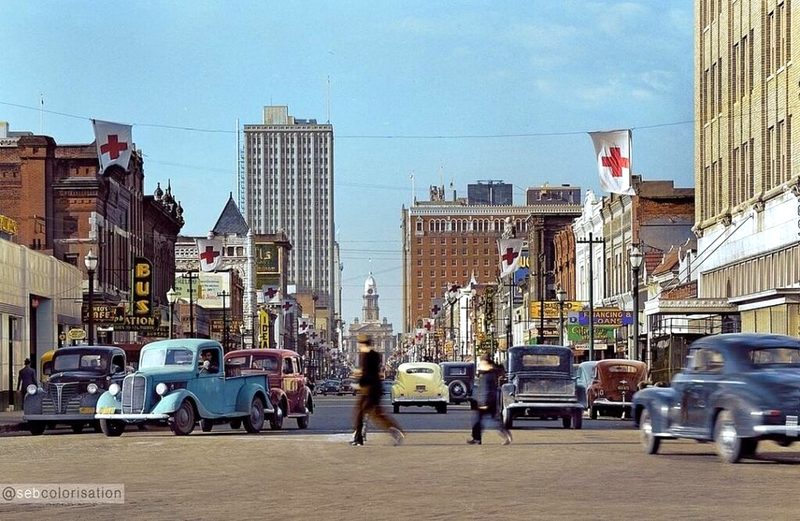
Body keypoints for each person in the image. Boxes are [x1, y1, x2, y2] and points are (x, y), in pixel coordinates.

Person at [351, 334, 404, 446]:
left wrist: (359, 382)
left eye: (359, 343)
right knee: (365, 413)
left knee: (372, 414)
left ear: (362, 344)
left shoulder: (367, 356)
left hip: (370, 389)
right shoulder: (373, 355)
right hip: (372, 388)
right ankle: (358, 437)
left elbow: (367, 373)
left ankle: (395, 432)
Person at [467, 355, 512, 445]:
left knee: (489, 420)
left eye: (481, 362)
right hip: (486, 400)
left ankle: (506, 435)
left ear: (486, 363)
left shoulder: (488, 375)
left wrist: (484, 402)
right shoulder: (486, 373)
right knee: (481, 420)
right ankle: (477, 438)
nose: (480, 364)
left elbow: (487, 389)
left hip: (487, 401)